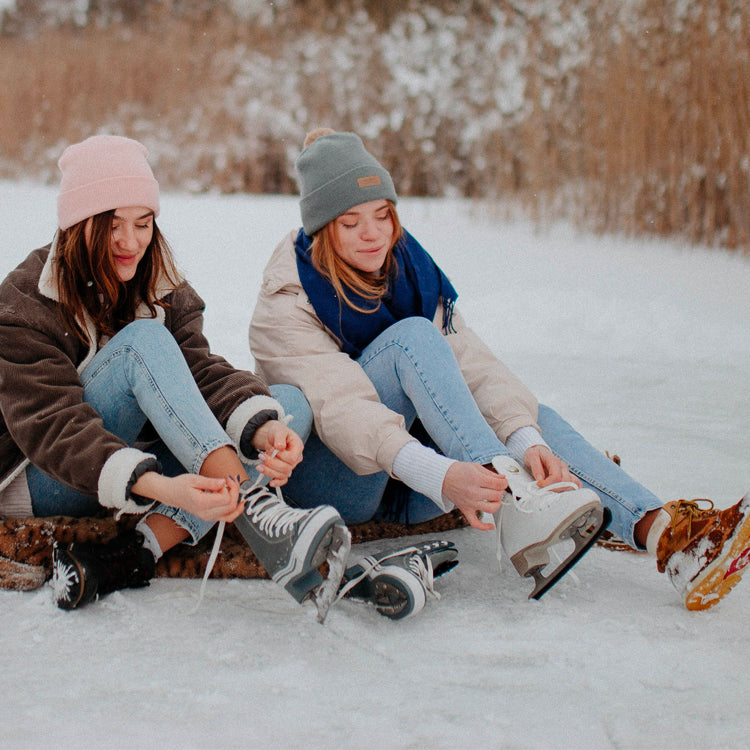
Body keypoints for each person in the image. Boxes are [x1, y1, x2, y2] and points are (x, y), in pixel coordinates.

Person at [248, 127, 750, 612]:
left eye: (382, 214)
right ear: (321, 227)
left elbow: (475, 368)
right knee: (414, 339)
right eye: (350, 222)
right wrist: (446, 475)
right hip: (339, 481)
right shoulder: (288, 296)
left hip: (417, 485)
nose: (373, 234)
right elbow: (344, 409)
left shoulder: (409, 272)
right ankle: (514, 500)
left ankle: (667, 538)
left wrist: (527, 440)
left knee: (528, 421)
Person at [0, 134, 353, 620]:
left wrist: (266, 430)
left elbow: (200, 372)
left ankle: (135, 553)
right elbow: (52, 428)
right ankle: (258, 513)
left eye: (142, 224)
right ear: (76, 225)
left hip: (130, 458)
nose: (130, 242)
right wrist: (163, 487)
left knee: (286, 404)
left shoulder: (159, 282)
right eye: (110, 226)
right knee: (143, 344)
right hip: (42, 475)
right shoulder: (25, 302)